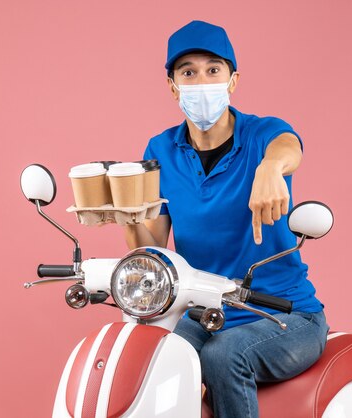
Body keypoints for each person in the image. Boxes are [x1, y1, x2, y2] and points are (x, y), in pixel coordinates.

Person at [123, 21, 329, 418]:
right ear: (173, 86)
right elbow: (152, 247)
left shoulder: (261, 134)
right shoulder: (160, 149)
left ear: (232, 80)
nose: (202, 81)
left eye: (213, 70)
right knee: (152, 353)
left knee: (223, 356)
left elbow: (289, 146)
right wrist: (129, 216)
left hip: (286, 314)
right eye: (188, 72)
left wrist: (270, 168)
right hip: (203, 311)